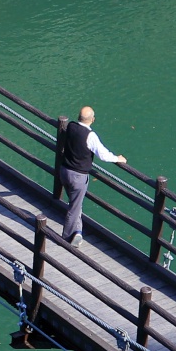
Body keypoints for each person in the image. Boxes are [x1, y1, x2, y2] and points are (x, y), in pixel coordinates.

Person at [57, 105, 127, 247]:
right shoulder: (90, 136)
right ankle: (65, 238)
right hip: (78, 176)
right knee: (74, 207)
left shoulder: (70, 126)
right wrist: (118, 158)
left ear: (78, 117)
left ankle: (77, 232)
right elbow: (103, 155)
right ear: (92, 120)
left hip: (64, 171)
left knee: (76, 203)